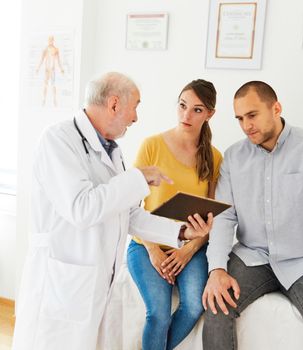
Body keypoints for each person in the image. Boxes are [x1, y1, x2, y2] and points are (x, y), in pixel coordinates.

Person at [12, 72, 212, 350]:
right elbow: (82, 208)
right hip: (63, 282)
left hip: (97, 282)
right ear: (115, 104)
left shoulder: (111, 151)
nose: (136, 118)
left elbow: (127, 214)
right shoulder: (58, 140)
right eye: (136, 106)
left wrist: (181, 231)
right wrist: (137, 179)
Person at [202, 81, 303, 350]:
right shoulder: (233, 157)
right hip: (253, 255)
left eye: (252, 115)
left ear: (276, 108)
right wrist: (217, 269)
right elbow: (224, 218)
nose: (246, 125)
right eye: (239, 118)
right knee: (216, 305)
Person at [127, 79, 222, 350]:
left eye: (197, 110)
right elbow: (130, 209)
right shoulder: (151, 146)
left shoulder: (214, 158)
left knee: (193, 306)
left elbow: (211, 221)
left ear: (210, 114)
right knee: (157, 314)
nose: (186, 115)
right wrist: (154, 251)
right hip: (146, 245)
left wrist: (187, 251)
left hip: (189, 247)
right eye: (182, 106)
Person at [35, 35, 64, 107]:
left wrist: (61, 69)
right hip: (47, 70)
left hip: (52, 70)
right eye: (49, 40)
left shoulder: (56, 49)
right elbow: (41, 60)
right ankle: (43, 99)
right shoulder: (45, 50)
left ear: (53, 40)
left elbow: (58, 60)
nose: (50, 41)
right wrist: (38, 68)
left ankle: (54, 100)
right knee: (45, 85)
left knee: (53, 85)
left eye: (51, 40)